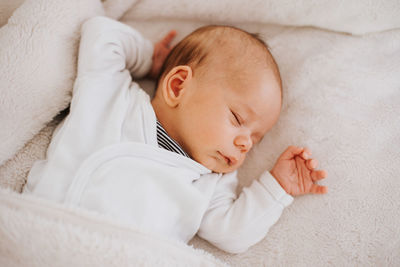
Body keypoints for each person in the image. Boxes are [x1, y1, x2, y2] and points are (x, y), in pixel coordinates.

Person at [24, 16, 328, 254]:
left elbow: (233, 234)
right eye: (237, 118)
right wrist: (148, 60)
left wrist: (276, 189)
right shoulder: (112, 98)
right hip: (41, 233)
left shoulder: (210, 181)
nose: (245, 143)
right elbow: (101, 34)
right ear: (178, 86)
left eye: (256, 139)